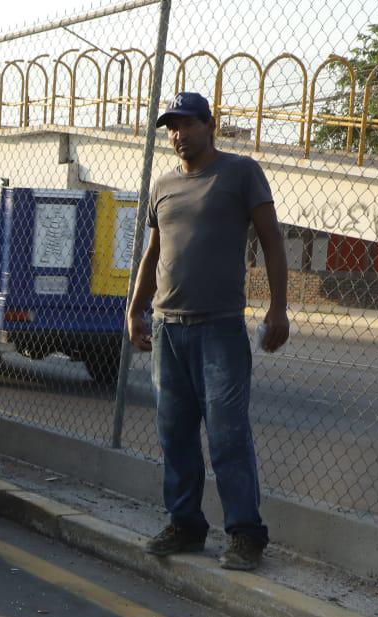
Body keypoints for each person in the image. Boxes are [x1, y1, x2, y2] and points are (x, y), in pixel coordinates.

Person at [126, 91, 289, 572]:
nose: (177, 134)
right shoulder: (163, 185)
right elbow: (153, 254)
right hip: (167, 328)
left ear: (209, 125)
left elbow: (273, 240)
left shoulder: (240, 172)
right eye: (171, 127)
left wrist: (277, 309)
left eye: (186, 124)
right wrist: (135, 308)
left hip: (219, 329)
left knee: (227, 435)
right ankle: (186, 524)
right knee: (174, 432)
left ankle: (245, 535)